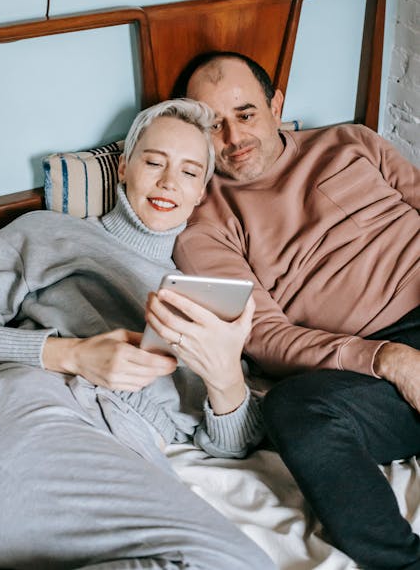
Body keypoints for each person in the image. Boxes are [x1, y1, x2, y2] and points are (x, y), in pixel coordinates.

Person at [0, 99, 275, 570]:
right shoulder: (45, 232)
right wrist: (72, 355)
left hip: (132, 450)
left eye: (189, 172)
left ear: (201, 194)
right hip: (38, 404)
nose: (169, 182)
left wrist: (226, 375)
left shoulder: (202, 293)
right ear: (124, 168)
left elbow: (233, 446)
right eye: (154, 162)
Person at [171, 50, 420, 570]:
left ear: (275, 105)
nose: (235, 139)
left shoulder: (351, 142)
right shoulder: (207, 224)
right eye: (214, 125)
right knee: (294, 411)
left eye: (245, 114)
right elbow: (265, 336)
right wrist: (386, 359)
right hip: (373, 363)